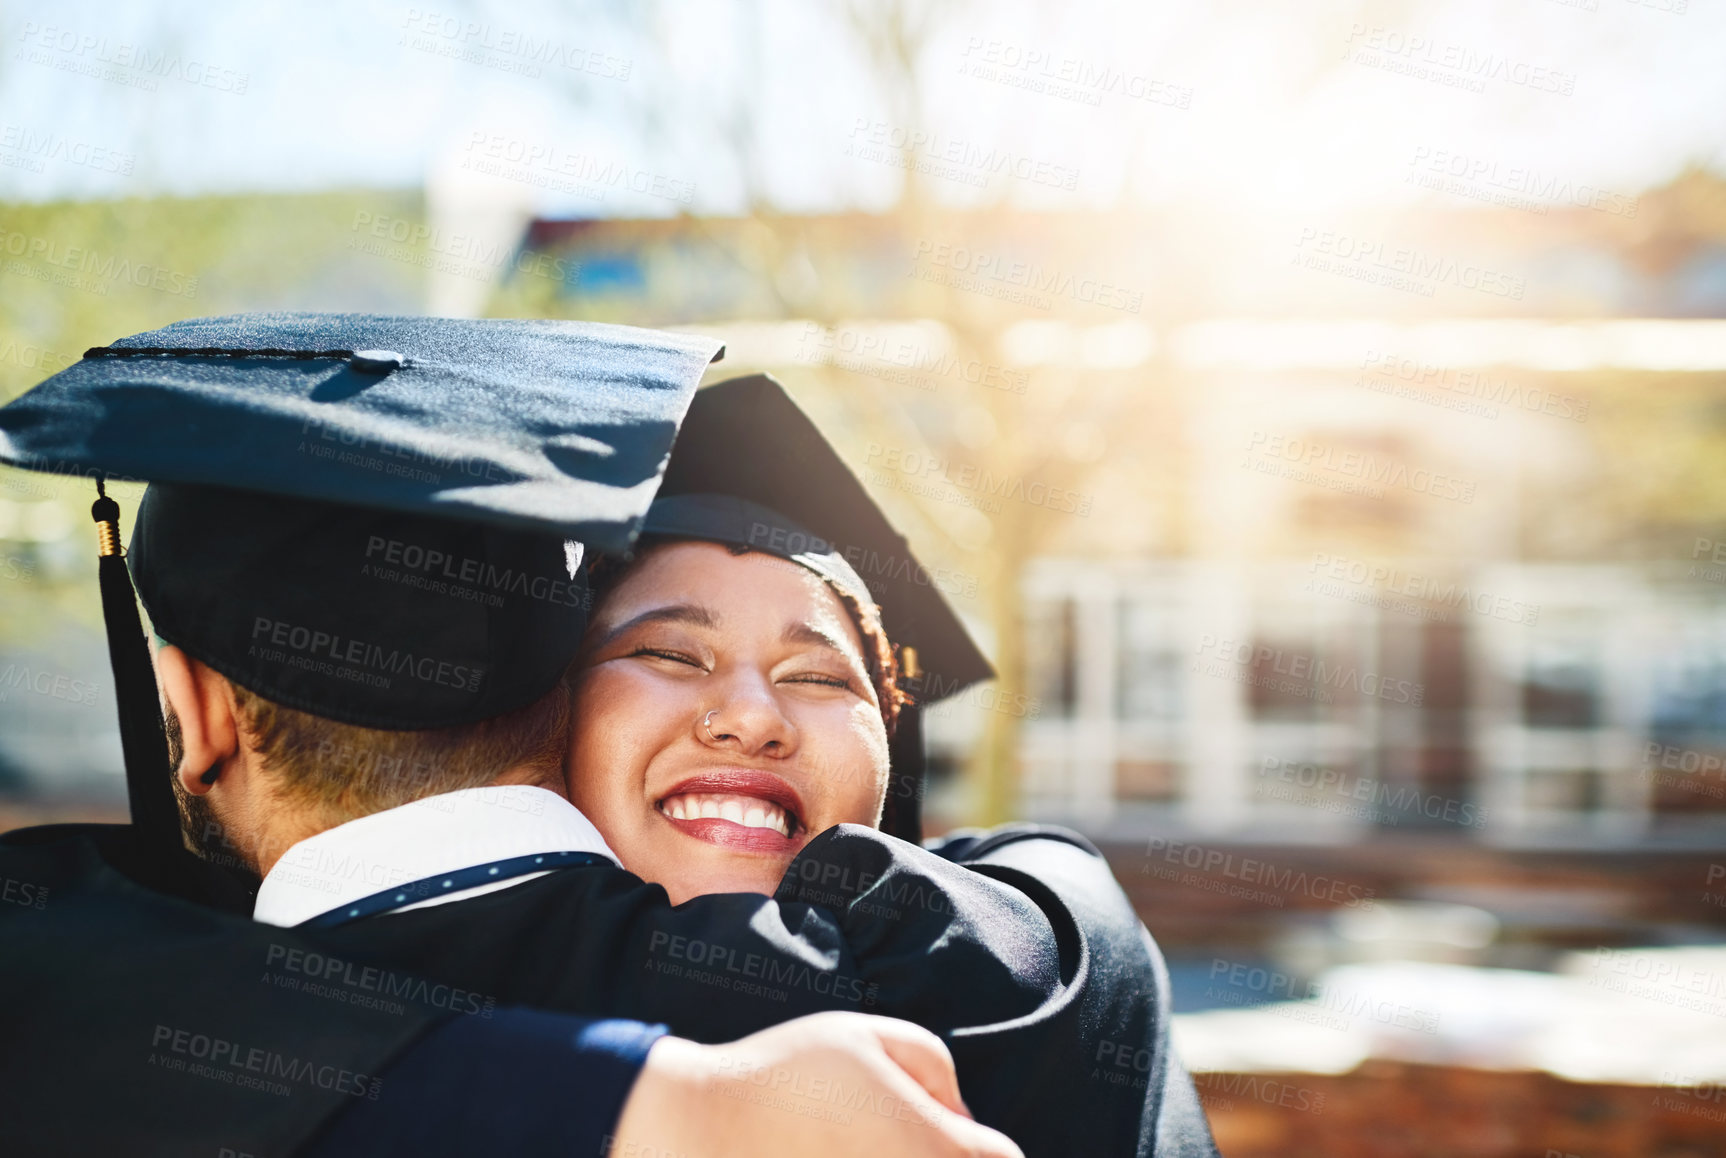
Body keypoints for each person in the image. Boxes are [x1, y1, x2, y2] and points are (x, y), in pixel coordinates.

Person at [0, 318, 1217, 1156]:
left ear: (192, 710)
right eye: (664, 653)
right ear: (545, 702)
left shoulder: (110, 995)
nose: (748, 711)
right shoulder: (969, 991)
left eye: (820, 675)